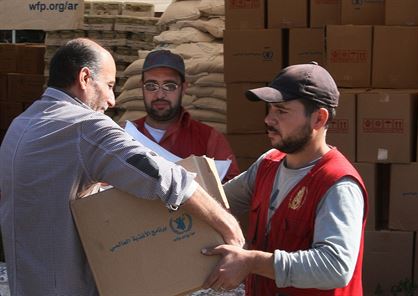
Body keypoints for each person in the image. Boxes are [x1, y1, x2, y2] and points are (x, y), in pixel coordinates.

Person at [0, 38, 244, 296]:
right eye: (108, 85)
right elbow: (163, 177)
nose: (112, 100)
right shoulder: (85, 126)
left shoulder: (20, 125)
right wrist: (228, 225)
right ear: (84, 78)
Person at [201, 62, 368, 295]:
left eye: (281, 111)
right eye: (269, 110)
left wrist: (252, 262)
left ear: (319, 119)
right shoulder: (268, 164)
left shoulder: (338, 183)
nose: (269, 120)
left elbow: (335, 267)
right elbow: (214, 202)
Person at [131, 49, 240, 182]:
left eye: (169, 86)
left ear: (184, 88)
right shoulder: (127, 135)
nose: (160, 95)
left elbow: (231, 189)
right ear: (141, 87)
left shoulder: (208, 139)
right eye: (151, 86)